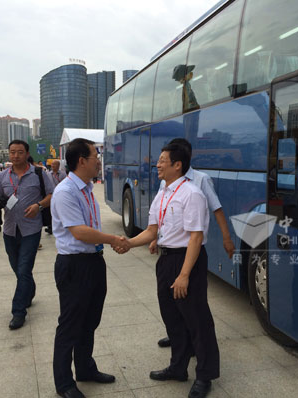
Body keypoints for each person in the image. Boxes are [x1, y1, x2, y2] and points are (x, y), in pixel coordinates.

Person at [125, 141, 220, 398]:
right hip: (166, 261)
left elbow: (196, 238)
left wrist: (185, 275)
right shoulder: (163, 193)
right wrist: (128, 243)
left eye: (163, 160)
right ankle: (178, 367)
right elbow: (153, 230)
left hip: (187, 261)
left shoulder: (192, 194)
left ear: (177, 165)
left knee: (197, 320)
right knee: (172, 317)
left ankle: (205, 375)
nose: (157, 164)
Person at [51, 138, 129, 398]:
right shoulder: (65, 192)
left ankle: (85, 368)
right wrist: (113, 239)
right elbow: (80, 232)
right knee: (71, 324)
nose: (99, 160)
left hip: (93, 262)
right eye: (96, 155)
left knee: (90, 321)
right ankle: (64, 383)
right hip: (74, 265)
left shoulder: (85, 189)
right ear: (82, 160)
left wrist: (105, 244)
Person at [151, 138, 235, 349]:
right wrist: (156, 237)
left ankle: (198, 350)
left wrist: (226, 238)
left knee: (194, 306)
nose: (159, 164)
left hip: (190, 251)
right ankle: (178, 339)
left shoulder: (200, 180)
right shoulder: (165, 182)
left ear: (179, 161)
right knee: (171, 304)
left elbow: (216, 209)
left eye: (163, 159)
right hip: (170, 251)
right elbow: (165, 213)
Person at [0, 140, 54, 330]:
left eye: (20, 152)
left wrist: (39, 205)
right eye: (12, 152)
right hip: (10, 230)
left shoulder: (39, 174)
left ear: (27, 153)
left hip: (31, 230)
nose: (15, 156)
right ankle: (30, 290)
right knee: (19, 270)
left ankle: (18, 312)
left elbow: (52, 195)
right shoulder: (3, 176)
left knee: (23, 269)